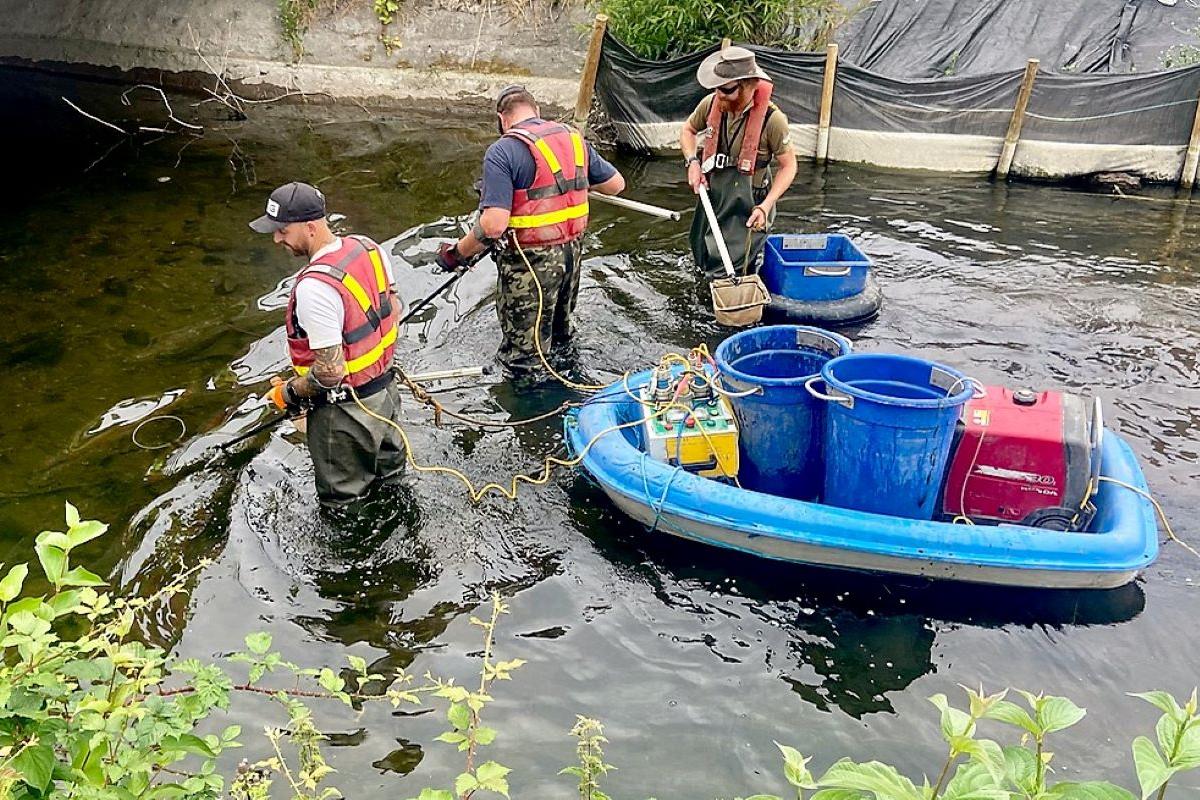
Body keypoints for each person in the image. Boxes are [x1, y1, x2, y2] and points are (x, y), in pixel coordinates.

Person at [436, 85, 626, 378]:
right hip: (571, 255)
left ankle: (529, 416)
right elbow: (616, 185)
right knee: (561, 336)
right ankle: (570, 390)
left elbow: (493, 225)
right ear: (536, 111)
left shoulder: (502, 151)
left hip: (530, 265)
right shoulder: (574, 139)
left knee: (523, 358)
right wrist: (575, 182)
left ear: (502, 118)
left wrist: (457, 254)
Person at [249, 181, 407, 508]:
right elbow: (395, 308)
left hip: (346, 415)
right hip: (386, 398)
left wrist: (288, 393)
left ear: (310, 226)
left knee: (343, 508)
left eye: (282, 230)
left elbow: (331, 372)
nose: (276, 238)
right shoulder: (369, 247)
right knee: (393, 484)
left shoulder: (313, 289)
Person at [679, 46, 797, 277]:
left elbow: (789, 166)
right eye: (717, 88)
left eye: (727, 89)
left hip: (748, 204)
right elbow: (688, 130)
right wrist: (692, 161)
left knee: (733, 267)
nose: (719, 95)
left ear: (748, 85)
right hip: (713, 194)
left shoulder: (774, 121)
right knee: (702, 258)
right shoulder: (711, 104)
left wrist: (766, 206)